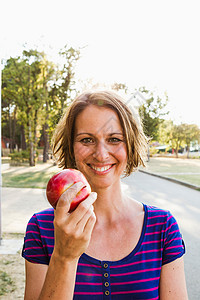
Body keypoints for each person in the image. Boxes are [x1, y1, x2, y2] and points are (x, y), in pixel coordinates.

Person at [22, 90, 188, 300]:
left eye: (114, 139)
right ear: (71, 147)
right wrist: (64, 257)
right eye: (87, 139)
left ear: (130, 146)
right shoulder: (42, 227)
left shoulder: (162, 227)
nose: (101, 154)